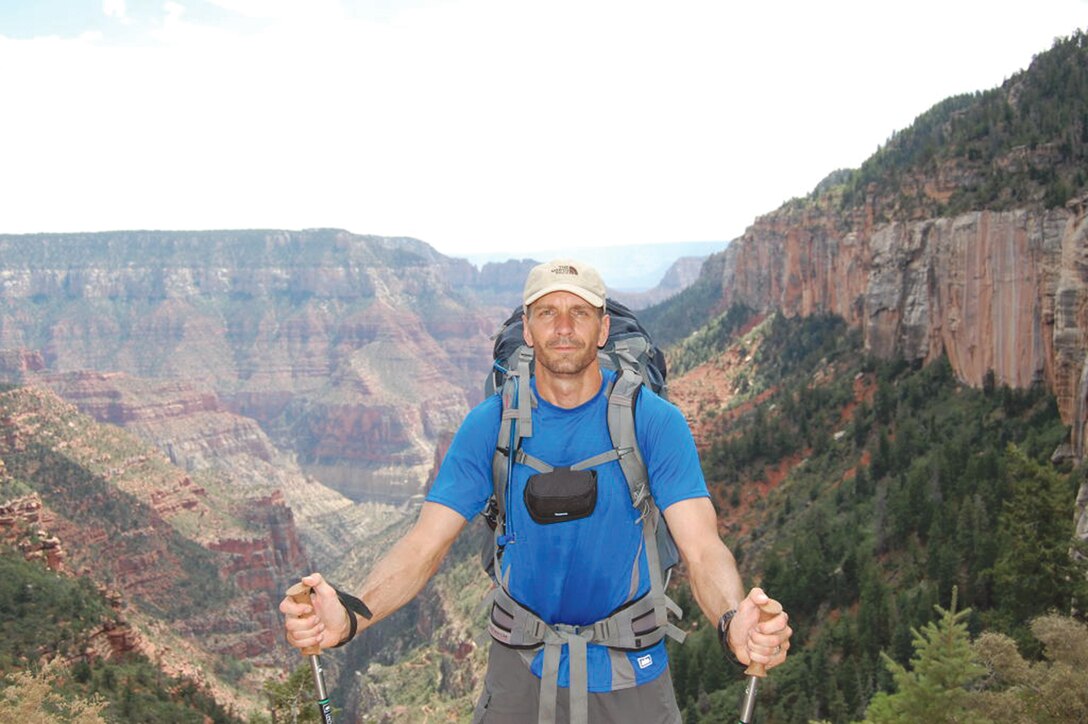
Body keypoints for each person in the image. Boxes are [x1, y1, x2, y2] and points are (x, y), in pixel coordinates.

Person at [281, 259, 792, 723]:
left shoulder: (654, 422)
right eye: (547, 313)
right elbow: (422, 546)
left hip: (630, 669)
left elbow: (703, 547)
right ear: (527, 328)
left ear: (603, 327)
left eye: (579, 312)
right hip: (520, 668)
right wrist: (353, 615)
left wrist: (731, 622)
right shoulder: (490, 424)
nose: (564, 327)